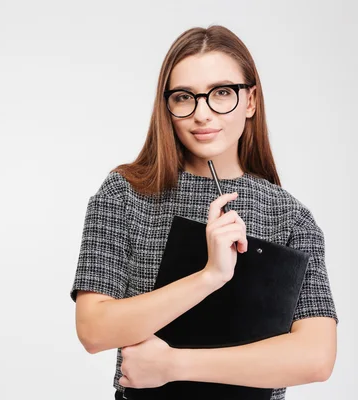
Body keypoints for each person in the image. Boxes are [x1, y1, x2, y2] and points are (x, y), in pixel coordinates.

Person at [69, 25, 338, 400]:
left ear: (250, 101)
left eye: (222, 93)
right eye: (184, 97)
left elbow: (315, 358)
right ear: (167, 106)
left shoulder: (290, 217)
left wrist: (173, 365)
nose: (203, 114)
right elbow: (94, 330)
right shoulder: (125, 194)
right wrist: (209, 276)